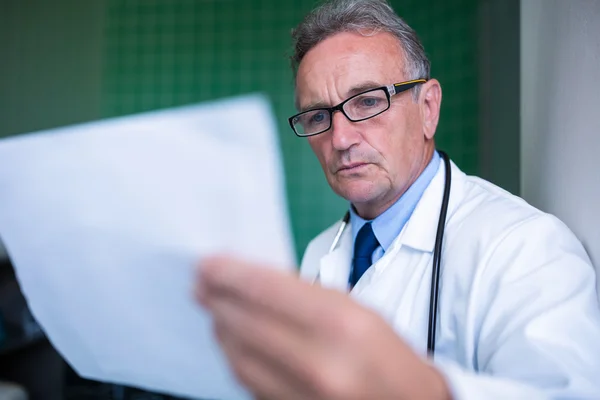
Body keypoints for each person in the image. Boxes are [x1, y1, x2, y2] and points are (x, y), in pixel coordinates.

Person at [196, 0, 600, 399]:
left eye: (368, 101)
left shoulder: (524, 247)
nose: (340, 139)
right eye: (319, 116)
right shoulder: (322, 252)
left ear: (428, 108)